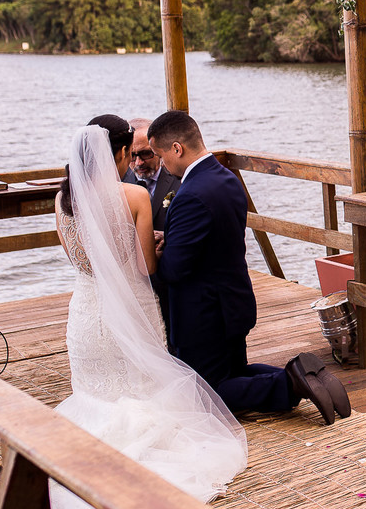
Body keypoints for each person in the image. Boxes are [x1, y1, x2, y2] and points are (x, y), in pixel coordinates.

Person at [52, 115, 247, 509]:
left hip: (85, 315)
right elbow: (145, 267)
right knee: (143, 387)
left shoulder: (62, 200)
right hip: (130, 309)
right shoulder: (135, 196)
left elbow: (84, 262)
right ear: (120, 154)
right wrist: (156, 243)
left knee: (94, 395)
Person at [147, 110, 350, 424]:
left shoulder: (190, 195)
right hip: (233, 301)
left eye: (160, 156)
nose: (162, 165)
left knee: (205, 391)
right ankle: (309, 371)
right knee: (234, 373)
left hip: (204, 315)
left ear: (177, 148)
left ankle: (292, 382)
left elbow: (174, 270)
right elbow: (213, 240)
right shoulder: (225, 179)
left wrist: (158, 253)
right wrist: (173, 238)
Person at [123, 117, 180, 231]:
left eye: (145, 153)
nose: (139, 163)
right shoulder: (119, 182)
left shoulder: (179, 177)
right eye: (132, 155)